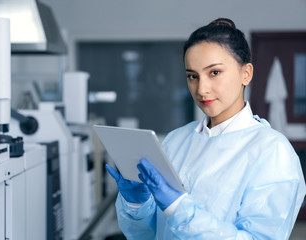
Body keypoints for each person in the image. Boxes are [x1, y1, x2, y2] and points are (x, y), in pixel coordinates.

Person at [105, 18, 306, 239]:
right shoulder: (176, 140)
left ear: (246, 74)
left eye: (215, 73)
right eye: (192, 76)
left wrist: (178, 208)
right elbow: (147, 235)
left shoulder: (272, 152)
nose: (201, 89)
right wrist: (137, 204)